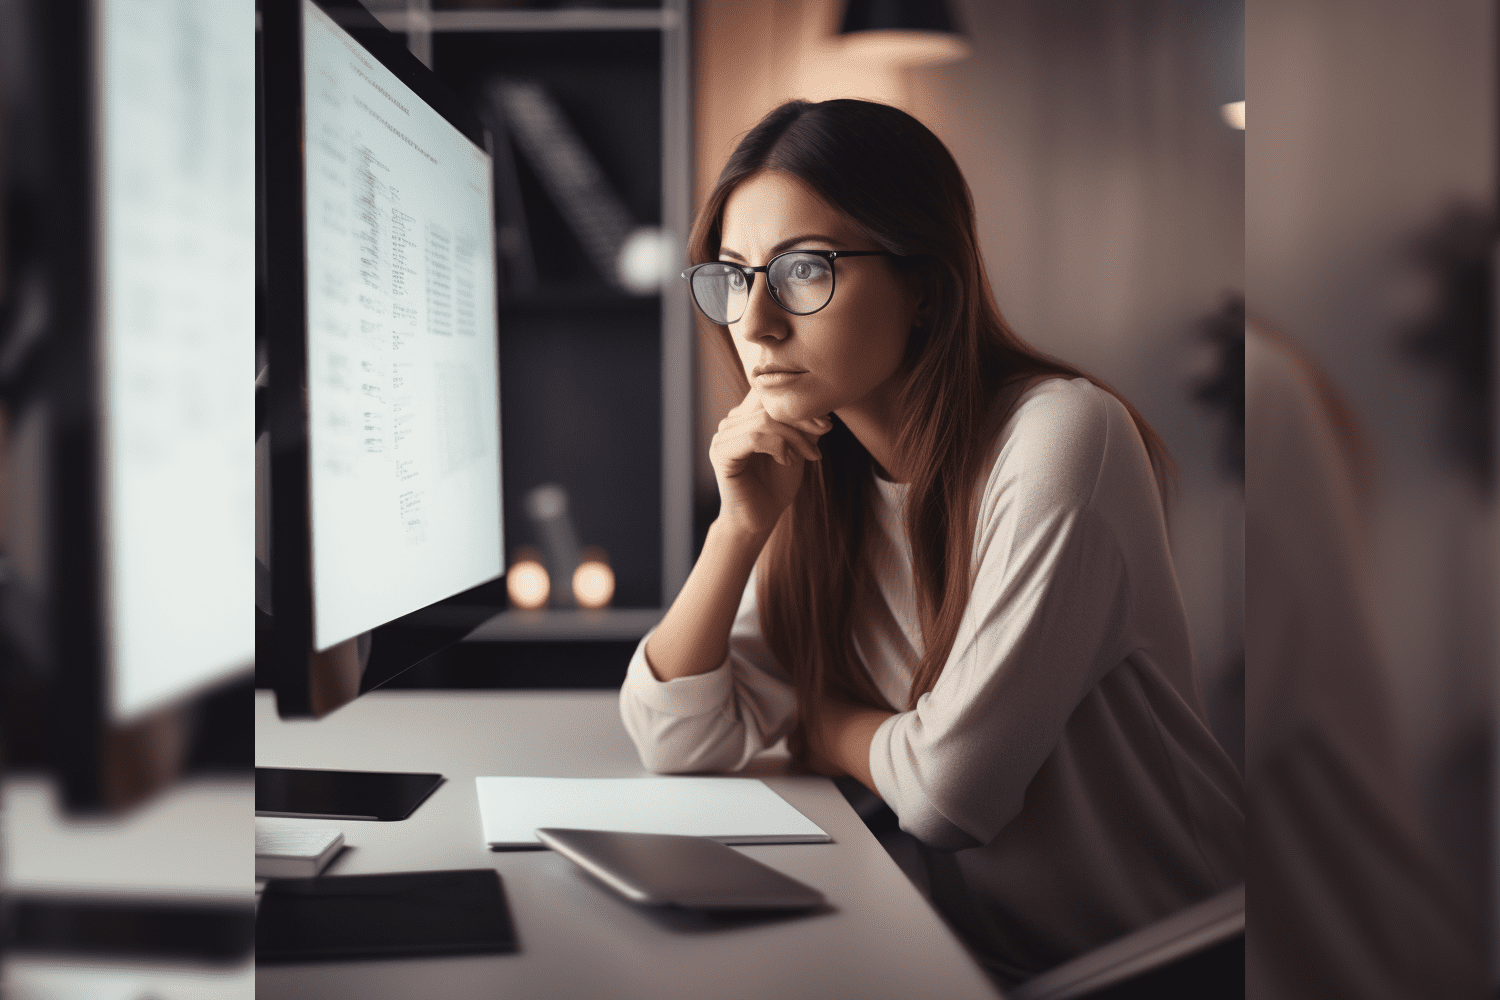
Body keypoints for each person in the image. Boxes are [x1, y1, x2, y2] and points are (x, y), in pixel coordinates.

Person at [618, 98, 1243, 985]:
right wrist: (739, 528)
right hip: (968, 956)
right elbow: (674, 738)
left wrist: (813, 716)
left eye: (803, 270)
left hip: (1154, 962)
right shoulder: (811, 467)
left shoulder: (1064, 436)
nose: (754, 324)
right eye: (731, 276)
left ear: (924, 284)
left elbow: (949, 790)